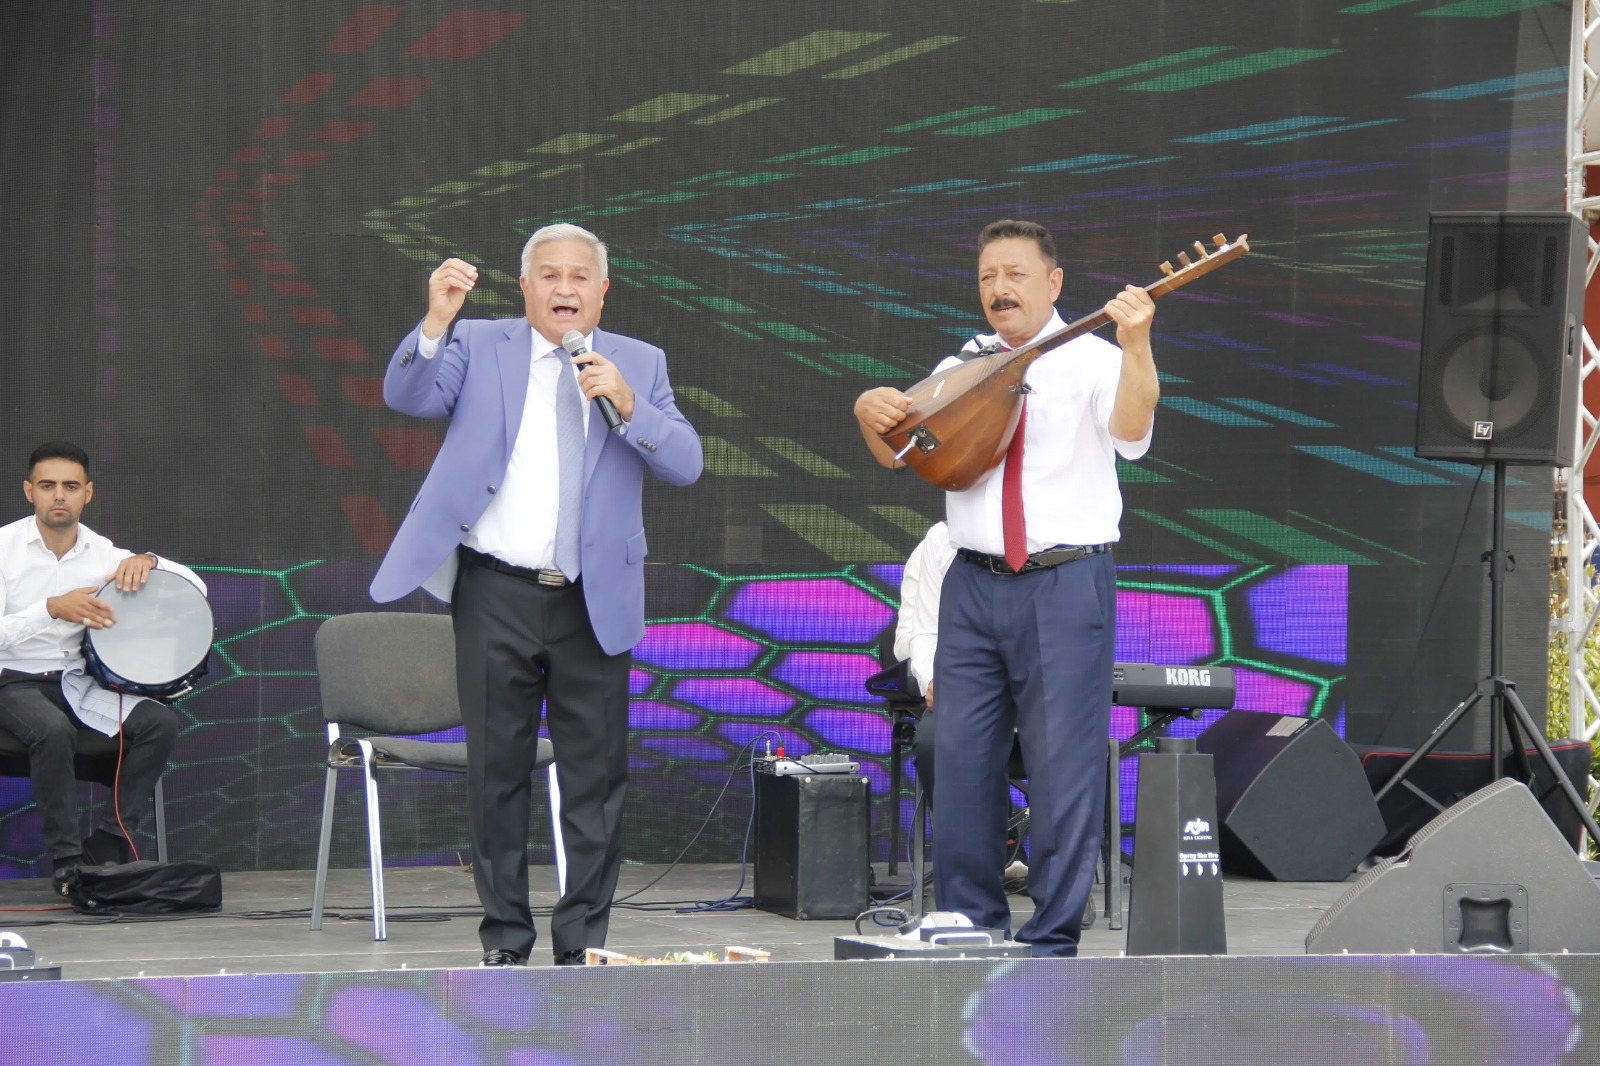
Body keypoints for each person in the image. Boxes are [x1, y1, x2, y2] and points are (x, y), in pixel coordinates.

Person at [370, 223, 703, 967]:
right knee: (496, 773)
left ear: (603, 290)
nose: (564, 288)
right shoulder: (477, 342)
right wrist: (436, 322)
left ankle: (582, 944)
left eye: (580, 276)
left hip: (593, 597)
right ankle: (505, 941)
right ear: (525, 287)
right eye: (549, 275)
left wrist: (627, 402)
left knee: (596, 780)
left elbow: (685, 462)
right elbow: (407, 394)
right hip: (496, 592)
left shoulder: (640, 362)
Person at [854, 219, 1156, 957]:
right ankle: (970, 930)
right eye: (988, 276)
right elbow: (900, 453)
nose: (999, 288)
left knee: (1062, 768)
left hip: (1064, 582)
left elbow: (1131, 431)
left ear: (1053, 282)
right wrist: (868, 411)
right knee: (959, 760)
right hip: (972, 583)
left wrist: (1138, 344)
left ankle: (1050, 943)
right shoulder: (964, 364)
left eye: (1015, 274)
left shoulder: (1094, 358)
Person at [0, 441, 206, 895]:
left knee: (160, 723)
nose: (59, 496)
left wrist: (149, 562)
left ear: (87, 493)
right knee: (52, 730)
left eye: (70, 486)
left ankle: (109, 843)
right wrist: (50, 609)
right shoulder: (3, 549)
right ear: (29, 491)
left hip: (76, 683)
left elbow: (196, 587)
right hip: (11, 681)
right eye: (48, 486)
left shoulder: (102, 553)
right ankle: (67, 862)